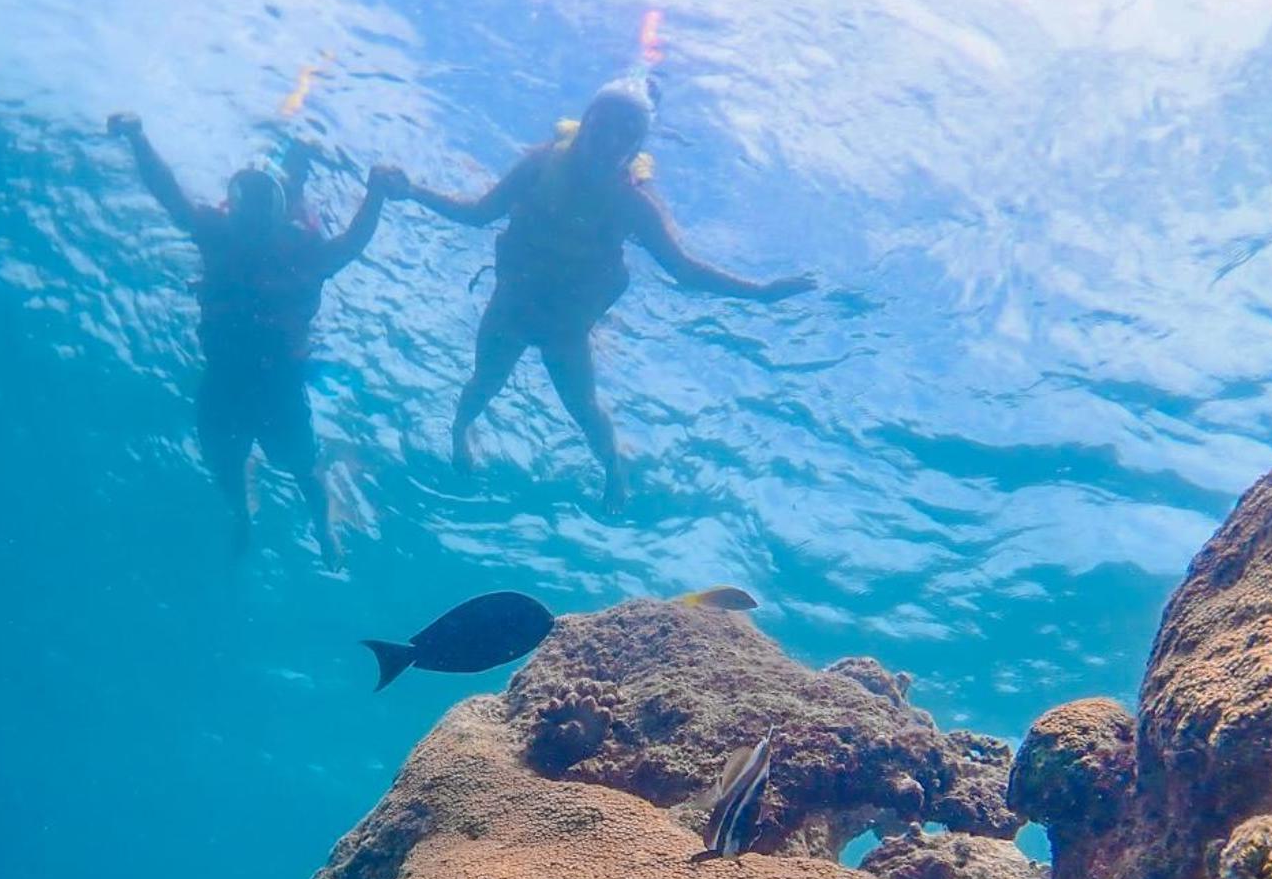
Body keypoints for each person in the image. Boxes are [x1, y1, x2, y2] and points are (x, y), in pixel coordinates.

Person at [387, 79, 815, 512]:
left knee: (585, 408)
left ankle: (614, 472)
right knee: (483, 383)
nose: (609, 142)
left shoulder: (634, 205)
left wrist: (760, 293)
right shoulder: (540, 166)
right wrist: (412, 191)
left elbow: (683, 269)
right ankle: (460, 433)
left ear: (636, 147)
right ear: (586, 123)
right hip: (510, 310)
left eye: (625, 134)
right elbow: (479, 213)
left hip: (566, 331)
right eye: (603, 126)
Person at [109, 112, 398, 566]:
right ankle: (242, 515)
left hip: (279, 386)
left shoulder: (303, 254)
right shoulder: (217, 235)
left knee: (301, 467)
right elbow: (168, 193)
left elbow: (352, 242)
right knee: (225, 462)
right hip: (224, 381)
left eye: (264, 209)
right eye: (247, 207)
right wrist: (138, 137)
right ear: (235, 206)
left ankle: (322, 525)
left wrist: (376, 194)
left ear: (280, 214)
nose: (254, 219)